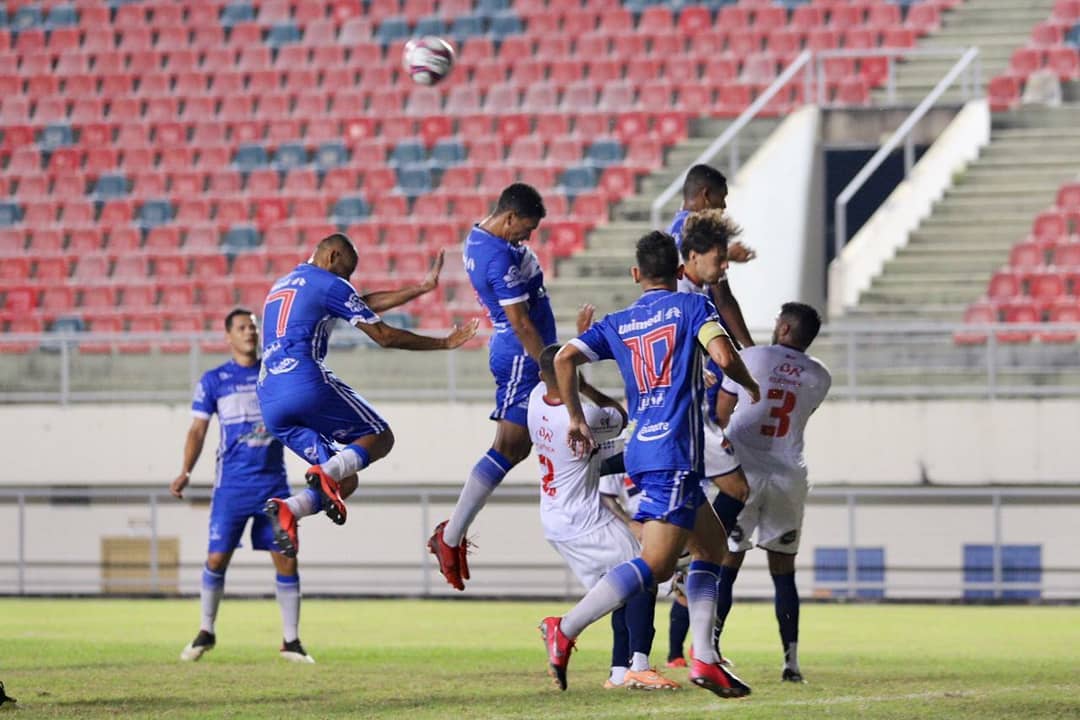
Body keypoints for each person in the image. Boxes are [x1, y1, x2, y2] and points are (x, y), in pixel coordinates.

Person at [538, 230, 760, 699]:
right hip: (673, 452)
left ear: (637, 274)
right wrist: (748, 384)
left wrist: (576, 418)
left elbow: (564, 357)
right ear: (680, 272)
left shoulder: (619, 321)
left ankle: (703, 657)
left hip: (644, 448)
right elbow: (723, 354)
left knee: (712, 549)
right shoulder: (693, 307)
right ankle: (566, 626)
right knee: (656, 566)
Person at [256, 234, 477, 557]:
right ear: (332, 256)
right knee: (379, 436)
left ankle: (290, 509)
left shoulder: (284, 284)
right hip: (301, 380)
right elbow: (384, 336)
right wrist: (442, 343)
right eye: (346, 273)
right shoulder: (330, 283)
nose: (347, 281)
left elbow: (358, 304)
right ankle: (325, 473)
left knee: (346, 480)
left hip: (268, 398)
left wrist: (418, 289)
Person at [528, 343, 678, 691]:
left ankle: (617, 673)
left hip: (555, 518)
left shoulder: (536, 400)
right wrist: (583, 385)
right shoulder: (587, 418)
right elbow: (619, 416)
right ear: (573, 375)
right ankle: (636, 664)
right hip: (585, 520)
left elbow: (598, 460)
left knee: (619, 590)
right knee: (645, 573)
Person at [428, 183, 555, 591]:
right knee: (510, 446)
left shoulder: (485, 237)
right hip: (521, 354)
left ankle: (451, 535)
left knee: (523, 445)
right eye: (526, 229)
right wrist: (550, 369)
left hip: (523, 350)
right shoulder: (495, 256)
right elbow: (520, 323)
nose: (528, 238)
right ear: (510, 217)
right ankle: (449, 537)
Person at [170, 308, 313, 663]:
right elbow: (198, 429)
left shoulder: (275, 373)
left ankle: (291, 641)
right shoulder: (213, 380)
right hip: (231, 488)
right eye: (242, 327)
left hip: (273, 485)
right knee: (216, 558)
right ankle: (206, 630)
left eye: (253, 326)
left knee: (286, 560)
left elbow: (299, 417)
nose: (250, 331)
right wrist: (185, 469)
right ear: (228, 336)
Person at [713, 303, 832, 683]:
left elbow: (722, 412)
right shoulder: (819, 375)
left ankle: (710, 649)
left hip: (741, 472)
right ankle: (791, 663)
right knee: (783, 572)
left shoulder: (751, 357)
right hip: (787, 476)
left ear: (782, 327)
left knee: (727, 562)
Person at [668, 164, 755, 350]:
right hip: (701, 335)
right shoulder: (704, 232)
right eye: (722, 198)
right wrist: (749, 348)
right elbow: (723, 298)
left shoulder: (674, 229)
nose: (723, 206)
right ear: (706, 195)